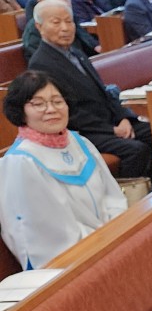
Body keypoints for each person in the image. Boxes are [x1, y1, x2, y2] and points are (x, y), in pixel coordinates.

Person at [0, 71, 127, 269]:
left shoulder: (79, 143)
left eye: (57, 101)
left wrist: (118, 230)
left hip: (110, 242)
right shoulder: (21, 162)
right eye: (38, 104)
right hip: (73, 262)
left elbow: (112, 195)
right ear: (21, 112)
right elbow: (51, 234)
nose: (51, 109)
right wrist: (103, 244)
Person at [29, 0, 152, 184]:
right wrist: (112, 130)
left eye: (69, 21)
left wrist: (123, 117)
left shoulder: (77, 53)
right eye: (56, 22)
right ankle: (127, 196)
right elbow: (68, 112)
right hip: (84, 131)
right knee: (135, 150)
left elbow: (104, 92)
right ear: (39, 27)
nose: (65, 28)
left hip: (107, 121)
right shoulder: (41, 64)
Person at [23, 0, 98, 61]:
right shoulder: (35, 30)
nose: (64, 3)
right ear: (41, 2)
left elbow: (86, 42)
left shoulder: (71, 18)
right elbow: (45, 62)